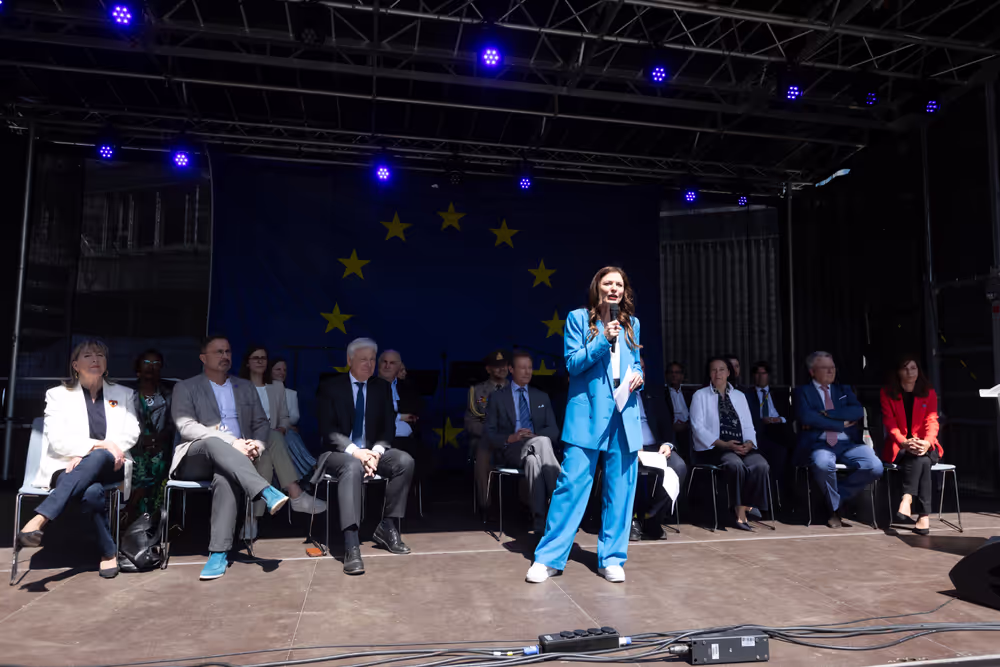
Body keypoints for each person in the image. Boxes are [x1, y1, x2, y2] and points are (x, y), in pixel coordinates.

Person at [527, 266, 644, 585]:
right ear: (597, 288)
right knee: (571, 486)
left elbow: (634, 362)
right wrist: (604, 340)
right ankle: (549, 557)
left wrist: (639, 376)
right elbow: (573, 364)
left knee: (621, 492)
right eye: (608, 283)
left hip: (625, 416)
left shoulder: (632, 324)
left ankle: (613, 558)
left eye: (619, 284)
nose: (614, 288)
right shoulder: (579, 319)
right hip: (588, 416)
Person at [16, 340, 140, 579]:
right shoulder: (57, 395)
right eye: (88, 355)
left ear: (105, 364)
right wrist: (95, 447)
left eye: (100, 355)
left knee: (102, 455)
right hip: (67, 465)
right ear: (75, 365)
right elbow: (57, 440)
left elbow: (131, 432)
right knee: (92, 492)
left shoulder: (123, 394)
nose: (95, 359)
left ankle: (40, 518)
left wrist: (102, 449)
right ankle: (108, 553)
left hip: (112, 464)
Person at [170, 335, 290, 580]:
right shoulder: (186, 386)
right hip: (195, 456)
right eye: (218, 352)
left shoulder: (243, 386)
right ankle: (265, 491)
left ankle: (219, 552)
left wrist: (255, 445)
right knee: (214, 441)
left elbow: (260, 424)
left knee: (225, 477)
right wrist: (232, 442)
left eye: (227, 351)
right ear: (203, 358)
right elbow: (187, 427)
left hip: (235, 461)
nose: (225, 356)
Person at [314, 337, 416, 575]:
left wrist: (377, 453)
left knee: (404, 461)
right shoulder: (330, 387)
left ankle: (387, 526)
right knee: (352, 466)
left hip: (372, 452)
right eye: (363, 360)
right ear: (349, 360)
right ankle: (351, 541)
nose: (369, 365)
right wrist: (358, 453)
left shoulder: (381, 387)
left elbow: (388, 428)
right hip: (339, 453)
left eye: (372, 360)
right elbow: (328, 431)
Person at [793, 351, 883, 529]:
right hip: (819, 444)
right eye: (825, 368)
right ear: (812, 371)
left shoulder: (843, 389)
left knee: (875, 466)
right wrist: (842, 424)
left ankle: (836, 499)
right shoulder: (802, 392)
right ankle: (835, 510)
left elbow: (857, 411)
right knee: (822, 463)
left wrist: (828, 414)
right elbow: (807, 417)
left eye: (832, 367)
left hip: (848, 444)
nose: (830, 371)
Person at [239, 346, 325, 530]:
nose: (261, 361)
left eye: (263, 358)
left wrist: (283, 427)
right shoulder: (239, 386)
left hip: (270, 443)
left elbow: (285, 417)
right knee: (271, 441)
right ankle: (296, 495)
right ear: (247, 362)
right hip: (246, 441)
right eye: (256, 358)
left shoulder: (276, 387)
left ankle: (251, 520)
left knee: (268, 456)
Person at [690, 357, 770, 531]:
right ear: (709, 374)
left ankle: (749, 506)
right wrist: (724, 445)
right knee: (734, 464)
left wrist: (749, 443)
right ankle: (739, 514)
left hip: (740, 446)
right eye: (713, 370)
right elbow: (698, 428)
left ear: (728, 373)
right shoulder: (700, 395)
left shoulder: (740, 396)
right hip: (715, 448)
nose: (717, 373)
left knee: (760, 464)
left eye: (721, 369)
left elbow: (748, 424)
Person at [484, 350, 561, 532]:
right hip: (512, 448)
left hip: (537, 447)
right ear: (511, 369)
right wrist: (511, 437)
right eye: (522, 368)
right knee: (541, 443)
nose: (527, 372)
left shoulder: (541, 396)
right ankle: (560, 502)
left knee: (533, 460)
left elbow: (554, 430)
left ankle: (539, 521)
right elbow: (489, 433)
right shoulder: (497, 397)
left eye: (530, 368)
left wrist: (535, 438)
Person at [880, 356, 941, 536]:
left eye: (913, 368)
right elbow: (889, 423)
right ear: (898, 372)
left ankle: (907, 498)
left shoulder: (928, 392)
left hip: (924, 444)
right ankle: (923, 516)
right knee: (921, 461)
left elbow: (932, 420)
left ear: (918, 371)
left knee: (921, 457)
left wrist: (927, 442)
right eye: (905, 368)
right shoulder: (887, 392)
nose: (910, 372)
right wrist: (904, 442)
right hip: (899, 446)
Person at [631, 355, 688, 541]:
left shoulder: (654, 393)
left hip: (655, 448)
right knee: (629, 469)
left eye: (644, 368)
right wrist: (632, 447)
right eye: (636, 367)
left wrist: (667, 444)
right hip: (630, 449)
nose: (641, 372)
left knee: (679, 466)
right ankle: (632, 519)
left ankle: (652, 516)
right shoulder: (616, 395)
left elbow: (666, 424)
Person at [129, 349, 174, 518]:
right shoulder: (128, 393)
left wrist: (160, 438)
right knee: (140, 464)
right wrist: (141, 440)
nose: (151, 367)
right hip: (135, 447)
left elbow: (175, 422)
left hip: (163, 446)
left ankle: (151, 519)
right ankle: (135, 514)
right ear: (138, 367)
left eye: (156, 364)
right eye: (147, 363)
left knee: (160, 463)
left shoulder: (170, 393)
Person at [466, 349, 511, 510]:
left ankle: (528, 505)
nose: (502, 369)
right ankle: (486, 506)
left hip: (512, 440)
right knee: (482, 450)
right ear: (488, 369)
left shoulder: (517, 389)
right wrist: (490, 434)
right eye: (497, 366)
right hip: (487, 439)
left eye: (504, 365)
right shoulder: (477, 391)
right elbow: (471, 421)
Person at [377, 349, 426, 474]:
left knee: (421, 453)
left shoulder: (405, 388)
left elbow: (415, 411)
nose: (387, 366)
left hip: (406, 437)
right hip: (381, 437)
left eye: (392, 363)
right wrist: (400, 417)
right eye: (384, 362)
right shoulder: (370, 386)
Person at [268, 357, 317, 479]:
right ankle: (311, 465)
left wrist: (283, 425)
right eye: (278, 369)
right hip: (268, 432)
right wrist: (284, 424)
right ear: (270, 371)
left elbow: (295, 417)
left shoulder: (291, 393)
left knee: (287, 436)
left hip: (283, 431)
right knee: (288, 434)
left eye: (284, 370)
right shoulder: (263, 390)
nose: (282, 372)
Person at [747, 360, 794, 486]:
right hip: (759, 430)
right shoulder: (747, 395)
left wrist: (778, 419)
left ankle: (782, 491)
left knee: (784, 452)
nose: (761, 376)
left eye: (764, 373)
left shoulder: (780, 394)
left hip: (778, 430)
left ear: (768, 375)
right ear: (753, 376)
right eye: (757, 373)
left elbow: (791, 415)